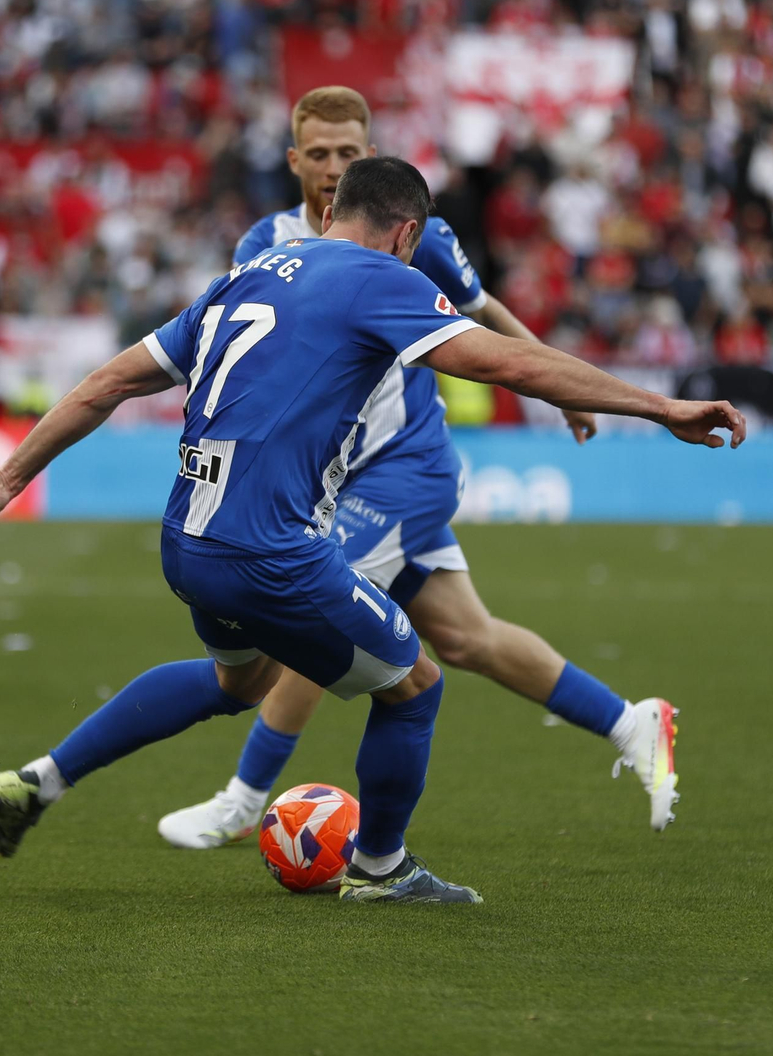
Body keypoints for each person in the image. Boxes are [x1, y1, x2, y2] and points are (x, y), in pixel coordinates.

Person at [0, 157, 745, 904]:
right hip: (268, 551)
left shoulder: (245, 275)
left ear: (332, 211)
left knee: (246, 681)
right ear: (407, 235)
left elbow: (108, 382)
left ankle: (38, 782)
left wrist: (9, 477)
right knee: (414, 685)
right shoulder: (379, 278)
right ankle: (380, 867)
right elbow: (510, 363)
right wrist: (660, 405)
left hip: (187, 539)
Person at [158, 86, 686, 853]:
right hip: (327, 479)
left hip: (399, 467)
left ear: (368, 157)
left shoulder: (414, 233)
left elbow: (484, 314)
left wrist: (565, 391)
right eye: (320, 153)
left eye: (348, 153)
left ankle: (242, 799)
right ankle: (631, 723)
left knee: (312, 620)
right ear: (295, 159)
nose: (333, 167)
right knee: (468, 638)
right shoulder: (265, 243)